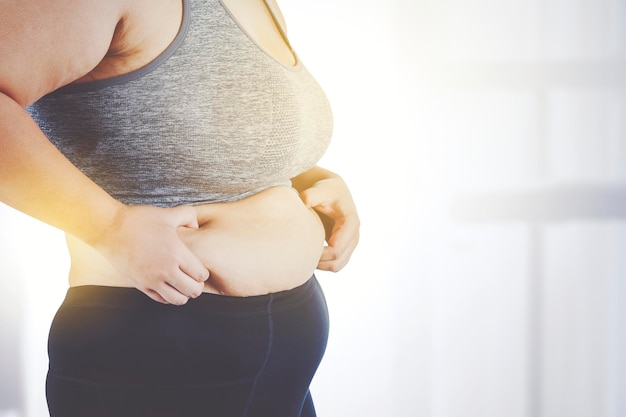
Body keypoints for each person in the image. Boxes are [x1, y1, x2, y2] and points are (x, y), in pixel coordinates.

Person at [0, 0, 360, 415]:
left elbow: (213, 133)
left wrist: (305, 178)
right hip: (158, 348)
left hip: (285, 364)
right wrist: (108, 226)